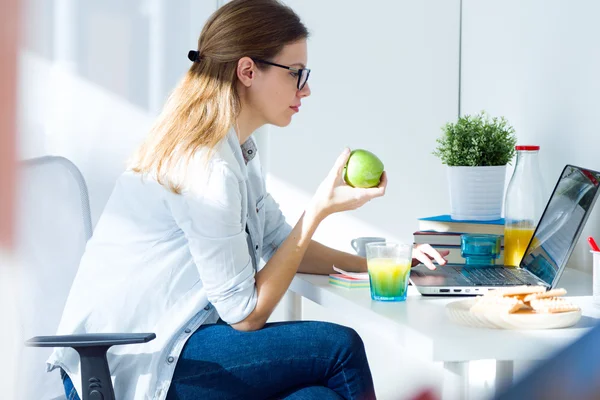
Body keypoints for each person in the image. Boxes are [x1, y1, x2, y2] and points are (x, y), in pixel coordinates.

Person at [48, 1, 447, 399]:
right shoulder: (207, 167)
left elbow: (280, 242)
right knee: (340, 348)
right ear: (247, 71)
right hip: (132, 362)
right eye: (296, 74)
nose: (305, 88)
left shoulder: (238, 151)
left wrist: (388, 267)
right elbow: (246, 314)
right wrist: (318, 211)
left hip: (177, 343)